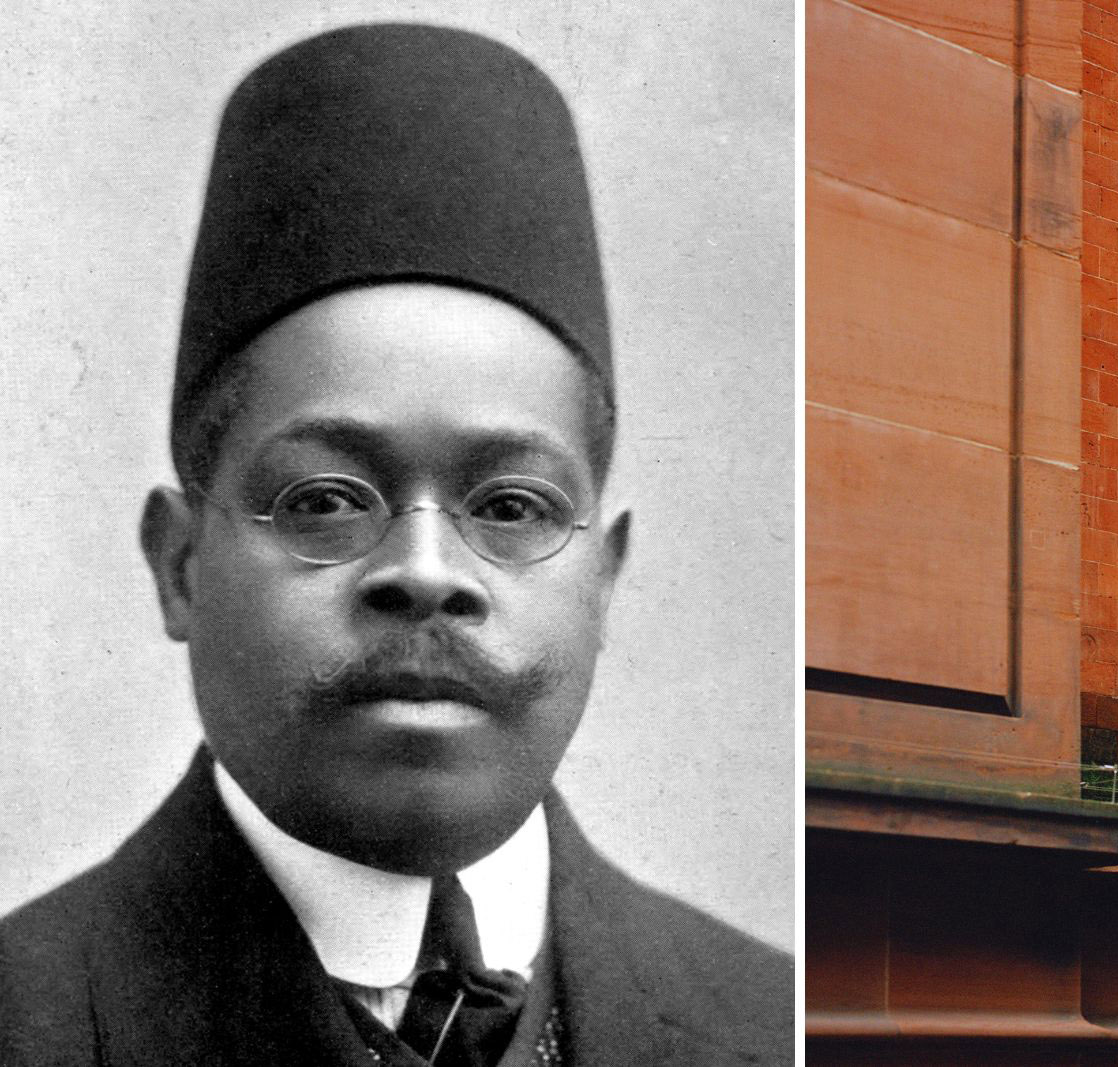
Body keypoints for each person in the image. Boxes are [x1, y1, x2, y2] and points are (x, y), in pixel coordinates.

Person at [0, 23, 791, 1067]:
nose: (424, 570)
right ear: (180, 562)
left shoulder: (771, 1024)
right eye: (326, 498)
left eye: (510, 508)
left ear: (604, 579)